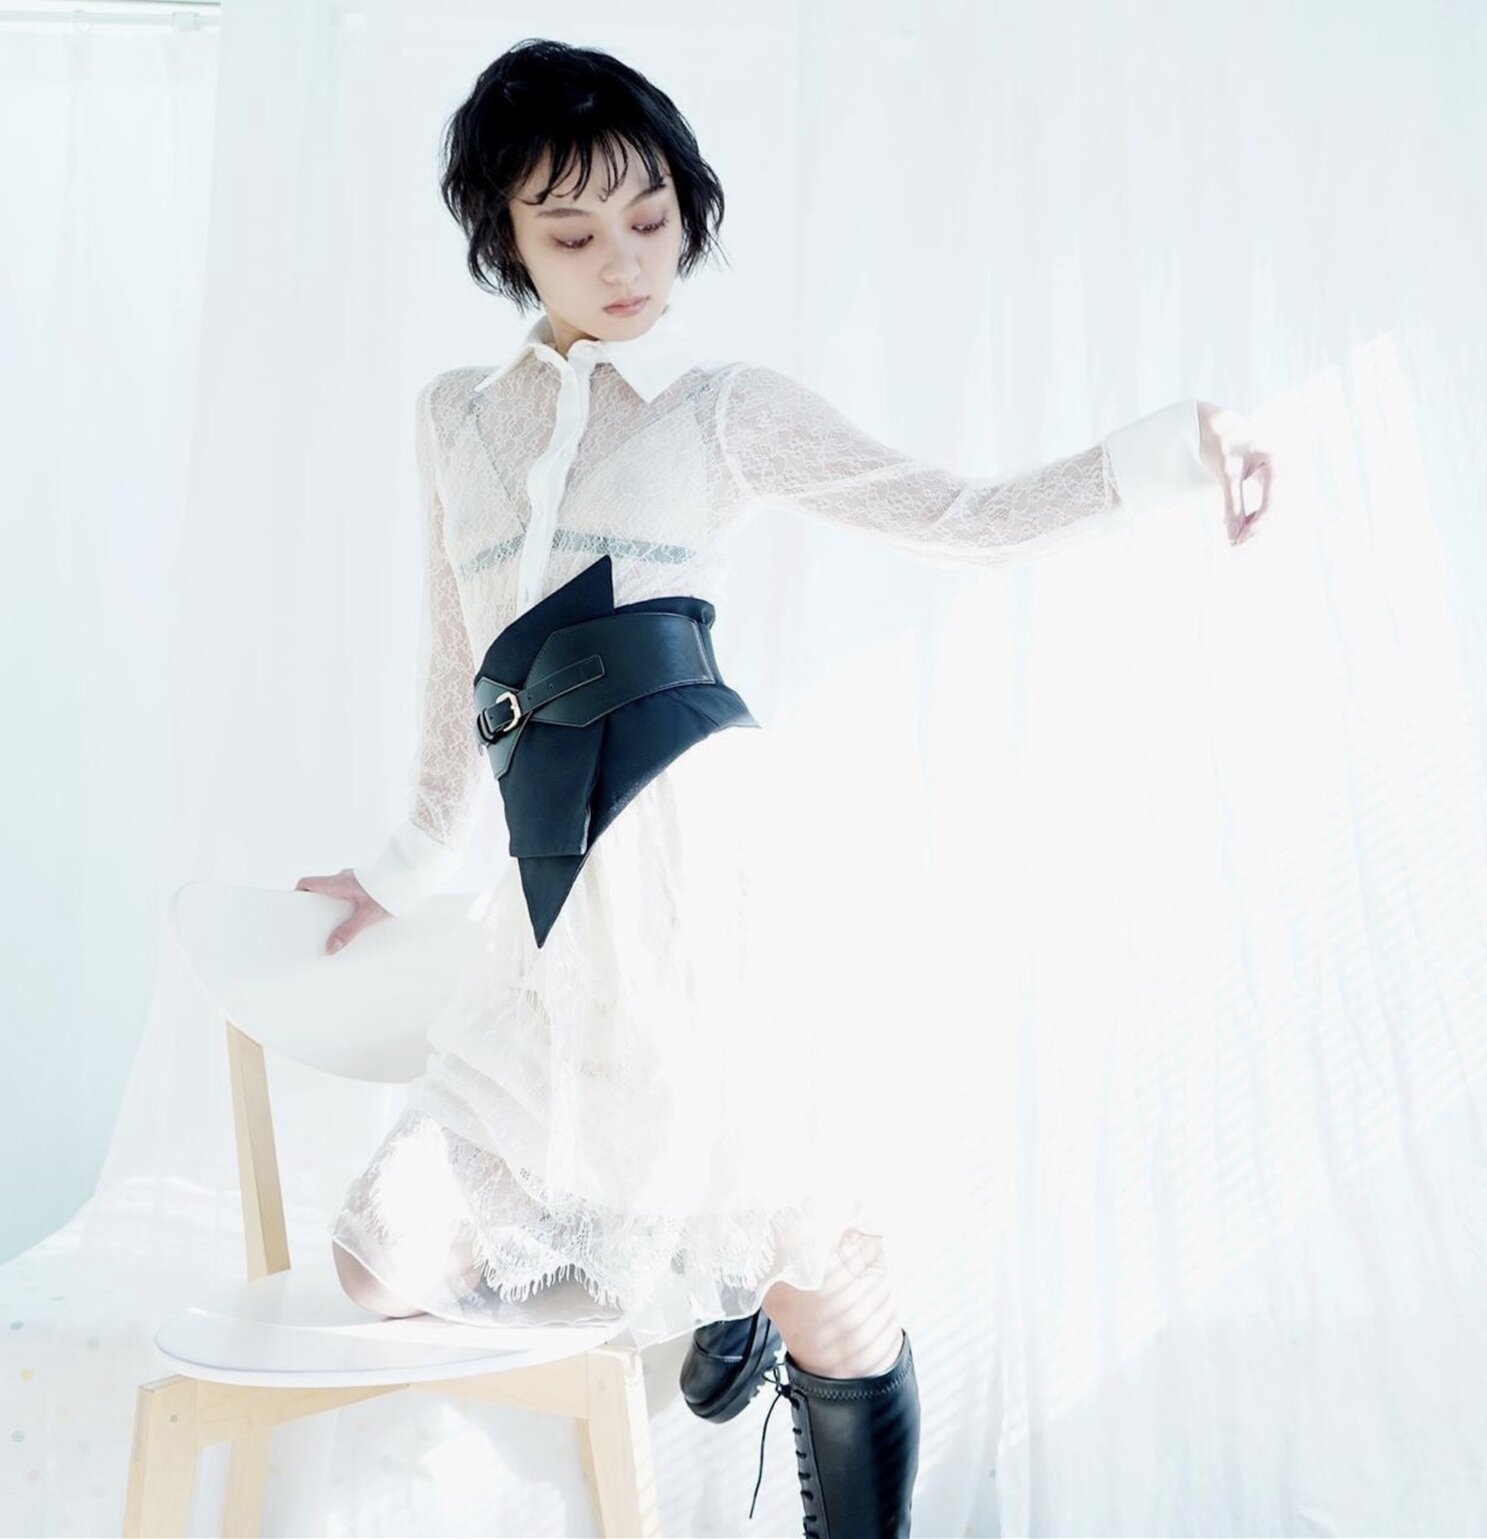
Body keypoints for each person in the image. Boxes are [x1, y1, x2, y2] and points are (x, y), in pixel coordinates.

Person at [293, 36, 1272, 1538]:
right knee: (380, 1263)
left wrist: (1170, 455)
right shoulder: (454, 421)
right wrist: (400, 865)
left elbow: (961, 515)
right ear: (504, 238)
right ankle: (710, 1278)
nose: (626, 262)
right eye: (573, 233)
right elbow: (458, 672)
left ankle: (804, 1404)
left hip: (709, 882)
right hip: (556, 914)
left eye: (652, 218)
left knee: (826, 1285)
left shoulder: (721, 410)